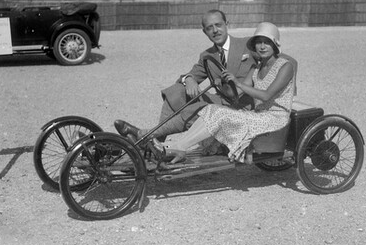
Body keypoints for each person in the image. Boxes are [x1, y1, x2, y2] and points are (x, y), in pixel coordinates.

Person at [155, 21, 295, 164]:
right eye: (259, 43)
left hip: (275, 119)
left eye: (267, 42)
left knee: (220, 114)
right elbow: (237, 93)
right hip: (258, 115)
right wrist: (222, 83)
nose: (262, 46)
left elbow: (266, 95)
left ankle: (179, 146)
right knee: (211, 109)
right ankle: (179, 145)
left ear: (275, 44)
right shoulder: (257, 68)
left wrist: (238, 82)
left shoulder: (285, 66)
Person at [114, 9, 255, 143]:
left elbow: (270, 58)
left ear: (227, 24)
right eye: (209, 28)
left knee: (194, 110)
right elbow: (190, 74)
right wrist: (189, 79)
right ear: (204, 32)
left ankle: (146, 136)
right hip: (221, 102)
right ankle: (155, 141)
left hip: (243, 106)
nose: (215, 31)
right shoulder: (207, 55)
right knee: (176, 91)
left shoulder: (247, 44)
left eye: (218, 25)